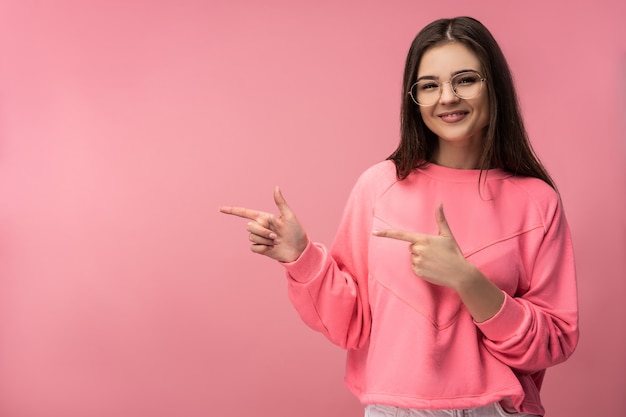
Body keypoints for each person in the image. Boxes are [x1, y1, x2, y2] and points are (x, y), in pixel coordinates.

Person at [220, 16, 578, 417]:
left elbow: (554, 341)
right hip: (397, 408)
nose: (447, 97)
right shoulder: (380, 186)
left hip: (495, 408)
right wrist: (300, 255)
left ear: (494, 86)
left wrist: (465, 278)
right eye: (429, 86)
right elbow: (349, 324)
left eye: (465, 80)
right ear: (414, 98)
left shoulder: (536, 201)